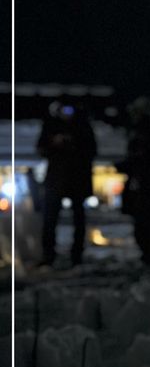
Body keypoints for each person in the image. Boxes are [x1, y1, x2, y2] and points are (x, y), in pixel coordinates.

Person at [37, 101, 96, 267]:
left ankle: (76, 256)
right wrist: (54, 143)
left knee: (78, 220)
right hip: (56, 179)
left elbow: (92, 150)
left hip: (77, 179)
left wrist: (74, 144)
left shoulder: (83, 127)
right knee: (50, 220)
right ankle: (48, 255)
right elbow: (41, 148)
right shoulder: (51, 126)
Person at [120, 97, 150, 269]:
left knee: (146, 224)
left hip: (147, 185)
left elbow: (144, 159)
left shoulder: (142, 132)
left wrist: (129, 166)